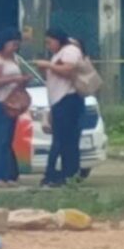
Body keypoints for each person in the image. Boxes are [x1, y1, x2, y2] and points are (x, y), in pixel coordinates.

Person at [35, 28, 85, 187]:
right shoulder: (59, 54)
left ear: (58, 40)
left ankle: (64, 174)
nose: (48, 46)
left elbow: (69, 70)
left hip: (68, 99)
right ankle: (63, 173)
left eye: (50, 42)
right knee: (62, 140)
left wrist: (49, 65)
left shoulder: (70, 51)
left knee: (65, 140)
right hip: (58, 100)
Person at [0, 28, 32, 188]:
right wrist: (13, 78)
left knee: (8, 139)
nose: (14, 48)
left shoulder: (13, 59)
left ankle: (7, 174)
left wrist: (22, 81)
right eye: (12, 44)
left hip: (11, 101)